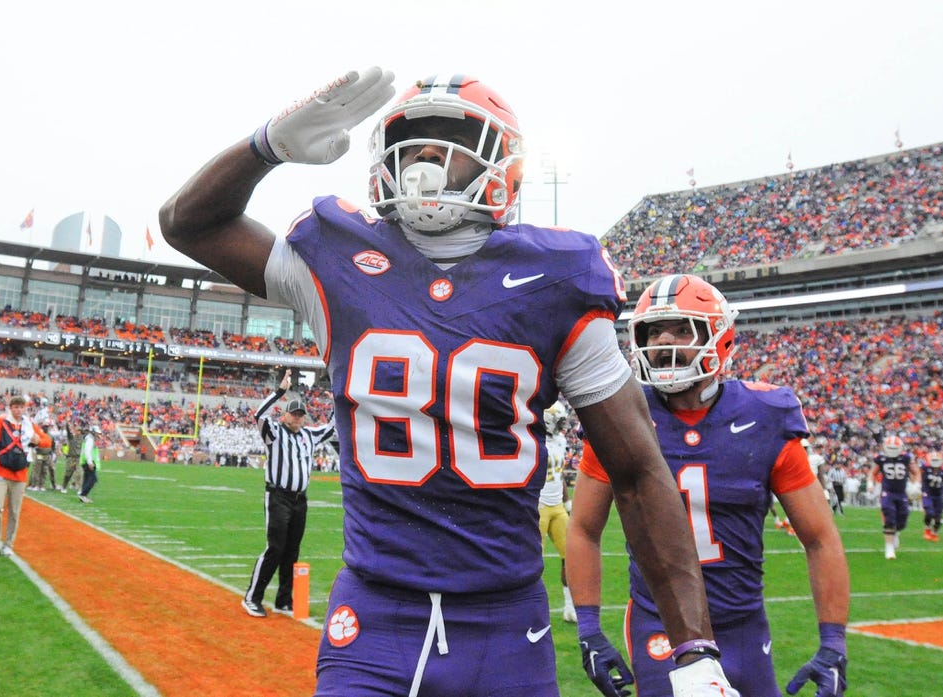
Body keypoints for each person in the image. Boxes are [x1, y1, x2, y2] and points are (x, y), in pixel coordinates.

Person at [161, 68, 735, 696]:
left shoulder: (558, 278)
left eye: (451, 136)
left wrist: (695, 651)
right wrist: (267, 146)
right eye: (415, 134)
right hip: (374, 619)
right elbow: (187, 223)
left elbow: (637, 470)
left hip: (505, 625)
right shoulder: (335, 256)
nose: (427, 151)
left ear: (502, 164)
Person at [566, 274, 850, 697]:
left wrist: (833, 642)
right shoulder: (622, 415)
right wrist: (588, 629)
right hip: (657, 623)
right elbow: (584, 528)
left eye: (683, 330)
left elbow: (820, 537)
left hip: (743, 623)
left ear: (719, 336)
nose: (665, 342)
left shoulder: (765, 415)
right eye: (653, 331)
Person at [242, 370, 335, 618]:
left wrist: (336, 400)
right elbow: (258, 414)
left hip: (299, 500)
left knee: (292, 550)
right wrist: (279, 392)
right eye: (294, 414)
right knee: (275, 547)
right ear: (285, 415)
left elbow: (332, 428)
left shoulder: (308, 435)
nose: (298, 418)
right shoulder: (274, 432)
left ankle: (284, 599)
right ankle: (252, 597)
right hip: (278, 497)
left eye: (301, 414)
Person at [0, 394, 51, 556]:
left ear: (25, 408)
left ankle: (8, 544)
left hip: (19, 474)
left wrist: (37, 440)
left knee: (14, 511)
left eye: (21, 407)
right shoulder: (1, 423)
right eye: (16, 407)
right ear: (11, 408)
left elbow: (47, 441)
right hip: (0, 471)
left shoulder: (29, 425)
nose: (19, 410)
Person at [538, 400, 576, 624]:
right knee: (534, 564)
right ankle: (532, 609)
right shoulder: (534, 441)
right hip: (539, 508)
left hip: (557, 507)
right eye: (559, 421)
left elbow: (560, 474)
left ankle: (570, 607)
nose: (562, 426)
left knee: (570, 557)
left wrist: (567, 501)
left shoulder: (561, 441)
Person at [868, 434, 920, 560]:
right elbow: (873, 472)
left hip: (901, 493)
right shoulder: (881, 458)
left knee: (902, 519)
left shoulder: (906, 458)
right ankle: (889, 548)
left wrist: (916, 485)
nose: (891, 451)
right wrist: (870, 484)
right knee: (889, 517)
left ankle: (896, 532)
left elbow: (916, 472)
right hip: (888, 492)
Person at [919, 449, 943, 541]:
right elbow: (917, 472)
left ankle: (934, 533)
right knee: (929, 512)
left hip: (938, 494)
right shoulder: (925, 468)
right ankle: (927, 528)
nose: (935, 462)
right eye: (933, 460)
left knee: (938, 517)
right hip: (928, 493)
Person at [77, 424, 102, 504]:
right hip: (88, 462)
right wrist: (90, 462)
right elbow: (87, 451)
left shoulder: (89, 438)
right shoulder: (90, 439)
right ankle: (83, 494)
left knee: (87, 478)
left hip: (86, 461)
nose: (98, 434)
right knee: (93, 479)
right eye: (97, 433)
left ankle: (83, 496)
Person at [59, 423, 83, 493]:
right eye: (77, 430)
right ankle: (63, 486)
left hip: (78, 458)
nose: (77, 432)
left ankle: (80, 489)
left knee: (79, 473)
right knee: (68, 474)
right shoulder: (71, 437)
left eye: (79, 430)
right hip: (71, 458)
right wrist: (67, 425)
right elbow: (68, 432)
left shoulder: (82, 439)